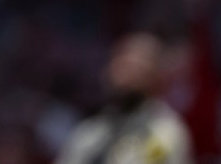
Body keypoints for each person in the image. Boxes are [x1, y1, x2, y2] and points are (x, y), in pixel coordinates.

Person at [54, 31, 193, 164]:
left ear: (155, 77)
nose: (125, 73)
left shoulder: (165, 132)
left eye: (137, 65)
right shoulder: (90, 132)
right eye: (121, 62)